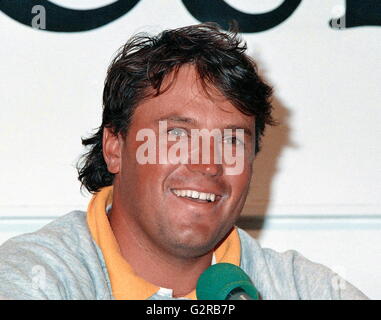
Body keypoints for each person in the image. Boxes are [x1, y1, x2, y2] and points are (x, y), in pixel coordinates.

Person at [0, 23, 368, 300]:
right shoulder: (34, 279)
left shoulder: (306, 289)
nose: (209, 164)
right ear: (115, 147)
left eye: (231, 140)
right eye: (178, 134)